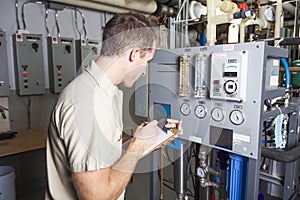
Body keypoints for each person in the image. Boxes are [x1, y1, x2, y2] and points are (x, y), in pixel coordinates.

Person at [46, 12, 181, 200]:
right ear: (134, 55)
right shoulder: (88, 103)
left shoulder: (102, 92)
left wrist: (146, 142)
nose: (144, 72)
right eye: (147, 62)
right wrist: (136, 147)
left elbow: (104, 157)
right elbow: (97, 197)